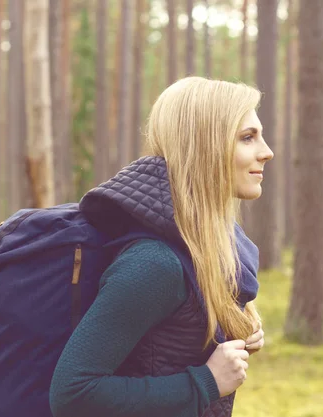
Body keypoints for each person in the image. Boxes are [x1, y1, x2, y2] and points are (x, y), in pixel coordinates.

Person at [48, 76, 274, 417]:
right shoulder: (155, 263)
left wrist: (234, 329)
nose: (266, 151)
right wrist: (206, 381)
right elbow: (73, 393)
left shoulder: (205, 245)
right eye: (247, 137)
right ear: (205, 147)